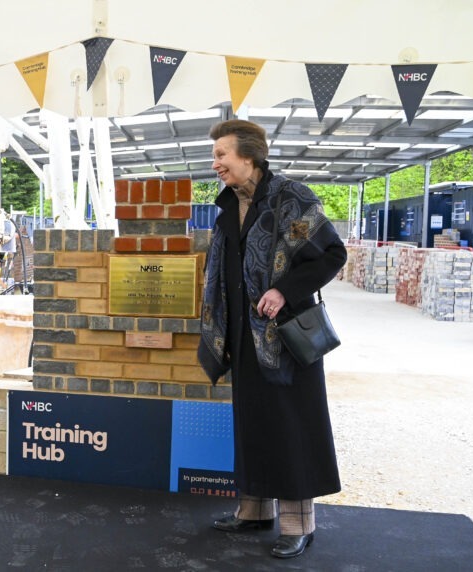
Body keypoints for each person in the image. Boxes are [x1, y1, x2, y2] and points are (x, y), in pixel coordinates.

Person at [197, 119, 347, 559]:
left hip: (284, 337)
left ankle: (299, 523)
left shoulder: (290, 198)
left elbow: (332, 253)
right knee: (253, 421)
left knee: (291, 424)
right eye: (216, 155)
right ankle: (254, 509)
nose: (216, 163)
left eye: (222, 154)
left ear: (249, 156)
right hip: (243, 333)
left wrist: (285, 291)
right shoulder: (228, 205)